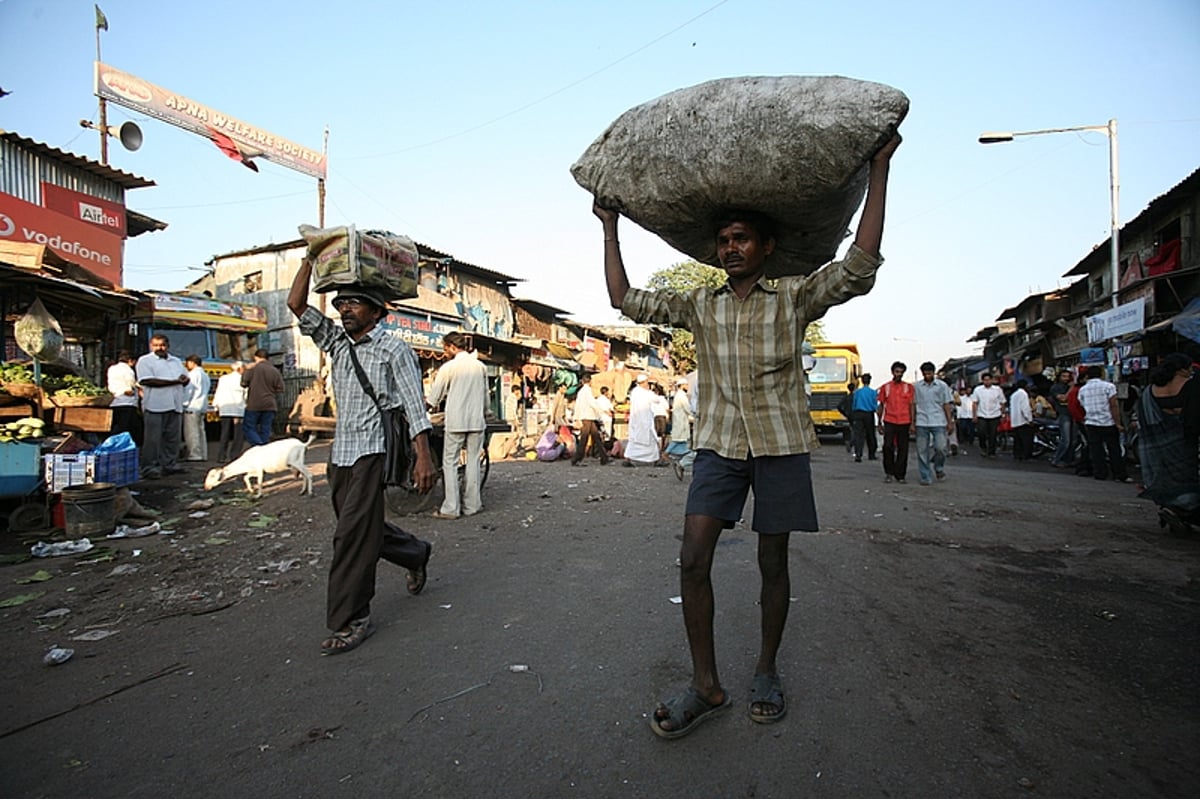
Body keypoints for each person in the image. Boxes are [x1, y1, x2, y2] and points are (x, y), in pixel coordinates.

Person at [596, 129, 900, 738]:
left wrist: (879, 171)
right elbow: (625, 299)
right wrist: (610, 226)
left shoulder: (792, 297)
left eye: (742, 239)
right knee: (691, 560)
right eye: (724, 240)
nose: (731, 247)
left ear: (767, 247)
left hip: (782, 446)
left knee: (772, 561)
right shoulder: (700, 305)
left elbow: (858, 268)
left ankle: (765, 669)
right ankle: (705, 685)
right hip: (719, 448)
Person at [287, 266, 437, 656]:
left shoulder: (394, 349)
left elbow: (413, 404)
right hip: (341, 453)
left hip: (374, 451)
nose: (344, 309)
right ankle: (414, 552)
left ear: (376, 310)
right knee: (359, 526)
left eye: (353, 302)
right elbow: (296, 304)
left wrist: (424, 455)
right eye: (340, 303)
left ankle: (352, 618)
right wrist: (310, 257)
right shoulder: (338, 343)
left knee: (350, 535)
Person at [426, 331, 489, 519]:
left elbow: (434, 396)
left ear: (453, 347)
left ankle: (451, 508)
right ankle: (472, 505)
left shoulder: (449, 367)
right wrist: (486, 413)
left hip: (456, 422)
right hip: (477, 421)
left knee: (450, 463)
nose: (444, 353)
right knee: (472, 462)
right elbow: (486, 397)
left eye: (445, 349)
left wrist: (421, 409)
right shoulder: (480, 367)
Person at [1136, 353, 1200, 533]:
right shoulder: (1191, 385)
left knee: (1167, 478)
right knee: (1189, 478)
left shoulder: (1151, 390)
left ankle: (1173, 510)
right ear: (1182, 369)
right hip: (1184, 440)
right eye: (1189, 368)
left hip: (1159, 442)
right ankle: (1179, 510)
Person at [136, 334, 189, 479]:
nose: (159, 348)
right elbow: (147, 381)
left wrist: (184, 380)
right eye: (156, 345)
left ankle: (169, 465)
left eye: (162, 345)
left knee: (172, 438)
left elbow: (185, 378)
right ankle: (149, 467)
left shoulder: (176, 361)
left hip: (175, 404)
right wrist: (174, 382)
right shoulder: (145, 361)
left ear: (168, 346)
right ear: (151, 346)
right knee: (153, 439)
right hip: (155, 405)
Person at [1077, 365, 1129, 482]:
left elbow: (1082, 404)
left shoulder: (1083, 389)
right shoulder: (1109, 387)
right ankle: (1119, 474)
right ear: (1101, 374)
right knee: (1114, 449)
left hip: (1091, 422)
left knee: (1096, 450)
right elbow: (1113, 405)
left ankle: (1100, 473)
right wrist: (1118, 423)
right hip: (1108, 422)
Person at [913, 362, 954, 485]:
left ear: (933, 373)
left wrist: (949, 421)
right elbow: (913, 405)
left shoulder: (942, 386)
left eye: (929, 373)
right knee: (922, 450)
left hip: (938, 420)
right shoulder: (917, 387)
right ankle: (925, 476)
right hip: (921, 420)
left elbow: (946, 404)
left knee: (941, 448)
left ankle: (939, 468)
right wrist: (912, 421)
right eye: (925, 374)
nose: (927, 375)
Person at [876, 361, 914, 484]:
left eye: (901, 372)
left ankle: (900, 474)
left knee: (903, 448)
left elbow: (911, 405)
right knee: (888, 446)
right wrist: (879, 423)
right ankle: (889, 472)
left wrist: (913, 423)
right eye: (897, 372)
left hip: (904, 421)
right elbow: (881, 405)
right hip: (890, 420)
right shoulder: (885, 387)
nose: (899, 374)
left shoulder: (908, 387)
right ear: (892, 372)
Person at [241, 349, 284, 446]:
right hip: (270, 404)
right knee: (266, 428)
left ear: (256, 357)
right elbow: (280, 388)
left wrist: (246, 370)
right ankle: (264, 447)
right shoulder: (275, 371)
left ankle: (259, 445)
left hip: (254, 403)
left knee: (249, 427)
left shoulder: (252, 369)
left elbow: (243, 383)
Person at [623, 374, 663, 466]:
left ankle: (628, 459)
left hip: (636, 421)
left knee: (634, 441)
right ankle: (656, 460)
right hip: (645, 421)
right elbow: (657, 400)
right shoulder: (646, 393)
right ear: (644, 382)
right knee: (651, 440)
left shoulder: (634, 392)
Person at [571, 373, 609, 466]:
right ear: (590, 381)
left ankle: (604, 458)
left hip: (588, 417)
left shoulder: (581, 391)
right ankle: (576, 459)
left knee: (596, 438)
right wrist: (601, 410)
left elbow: (578, 405)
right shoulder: (587, 391)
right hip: (588, 417)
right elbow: (592, 403)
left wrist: (576, 417)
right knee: (585, 438)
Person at [213, 362, 247, 464]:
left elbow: (218, 392)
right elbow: (246, 396)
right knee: (238, 434)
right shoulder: (243, 379)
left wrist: (216, 406)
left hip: (225, 408)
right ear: (240, 368)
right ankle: (234, 456)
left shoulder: (223, 379)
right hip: (238, 409)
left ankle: (221, 456)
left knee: (225, 433)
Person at [181, 355, 211, 462]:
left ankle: (194, 454)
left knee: (191, 432)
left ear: (192, 363)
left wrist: (184, 403)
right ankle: (203, 453)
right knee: (201, 431)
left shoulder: (192, 375)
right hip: (202, 405)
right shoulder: (205, 374)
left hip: (192, 406)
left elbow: (189, 391)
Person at [107, 350, 140, 443]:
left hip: (114, 402)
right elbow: (131, 384)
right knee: (126, 428)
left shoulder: (112, 368)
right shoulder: (128, 370)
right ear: (130, 361)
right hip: (127, 403)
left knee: (116, 426)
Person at [972, 373, 1006, 457]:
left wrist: (1003, 414)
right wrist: (974, 415)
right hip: (982, 414)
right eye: (985, 380)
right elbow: (975, 403)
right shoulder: (978, 390)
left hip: (995, 414)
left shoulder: (997, 389)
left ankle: (991, 451)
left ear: (992, 380)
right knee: (981, 432)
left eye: (988, 380)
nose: (987, 382)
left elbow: (1002, 402)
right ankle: (983, 447)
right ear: (983, 381)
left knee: (993, 434)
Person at [1048, 370, 1075, 468]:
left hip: (1073, 414)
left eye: (1068, 376)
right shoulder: (1056, 388)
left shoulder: (1070, 386)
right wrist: (1071, 388)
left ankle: (1068, 460)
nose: (1066, 378)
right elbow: (1063, 398)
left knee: (1073, 440)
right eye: (1064, 376)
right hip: (1064, 414)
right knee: (1065, 440)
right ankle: (1056, 459)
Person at [849, 373, 878, 462]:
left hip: (858, 414)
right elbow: (875, 405)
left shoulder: (857, 392)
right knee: (870, 435)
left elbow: (854, 404)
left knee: (859, 435)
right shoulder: (873, 392)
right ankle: (871, 454)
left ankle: (858, 454)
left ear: (861, 381)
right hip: (869, 414)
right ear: (869, 381)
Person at [1009, 380, 1034, 461]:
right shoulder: (1023, 394)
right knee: (1026, 439)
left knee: (1017, 439)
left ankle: (1017, 454)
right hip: (1023, 421)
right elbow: (1025, 408)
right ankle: (1026, 455)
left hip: (1015, 420)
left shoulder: (1014, 395)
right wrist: (1029, 419)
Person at [955, 385, 976, 453]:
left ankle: (970, 441)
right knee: (963, 427)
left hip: (971, 416)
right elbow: (959, 408)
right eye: (967, 390)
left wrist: (975, 415)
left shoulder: (973, 398)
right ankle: (963, 439)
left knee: (972, 429)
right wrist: (958, 417)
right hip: (963, 416)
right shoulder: (961, 398)